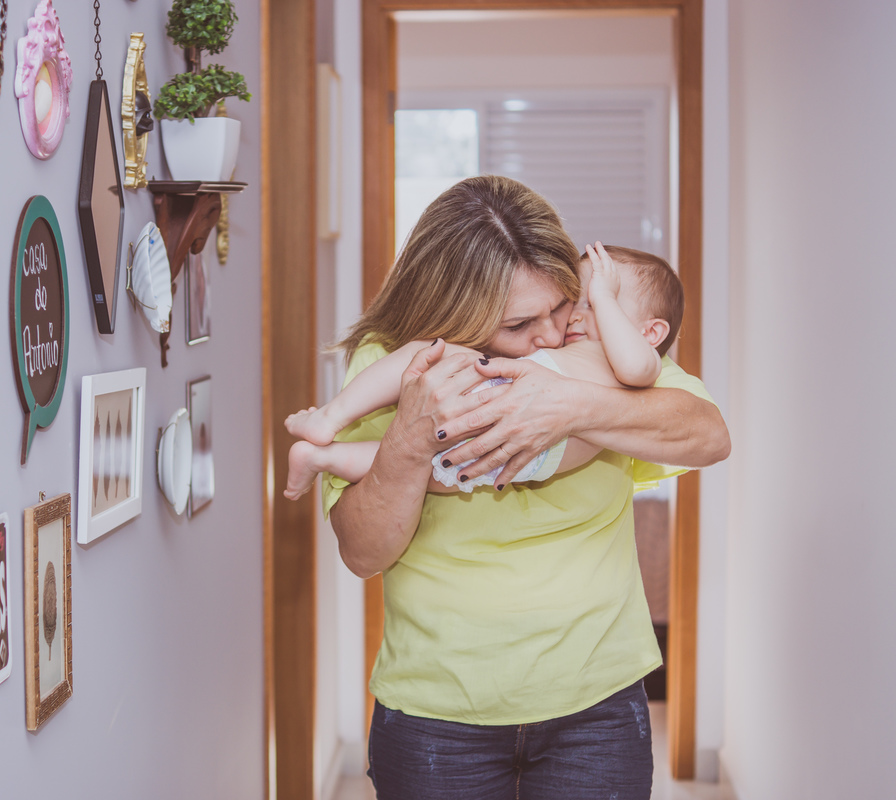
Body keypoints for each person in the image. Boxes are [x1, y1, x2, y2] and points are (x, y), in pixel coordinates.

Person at [321, 175, 729, 800]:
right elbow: (362, 552)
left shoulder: (593, 344)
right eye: (519, 324)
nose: (549, 335)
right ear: (454, 318)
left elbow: (707, 435)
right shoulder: (393, 364)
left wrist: (573, 405)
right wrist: (407, 440)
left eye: (560, 307)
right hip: (437, 711)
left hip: (597, 703)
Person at [283, 241, 682, 500]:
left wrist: (604, 297)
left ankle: (329, 458)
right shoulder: (568, 345)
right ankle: (327, 420)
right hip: (501, 389)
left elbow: (637, 370)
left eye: (596, 303)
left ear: (652, 331)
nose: (576, 316)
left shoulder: (641, 363)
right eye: (575, 300)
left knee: (428, 468)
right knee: (426, 358)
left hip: (525, 451)